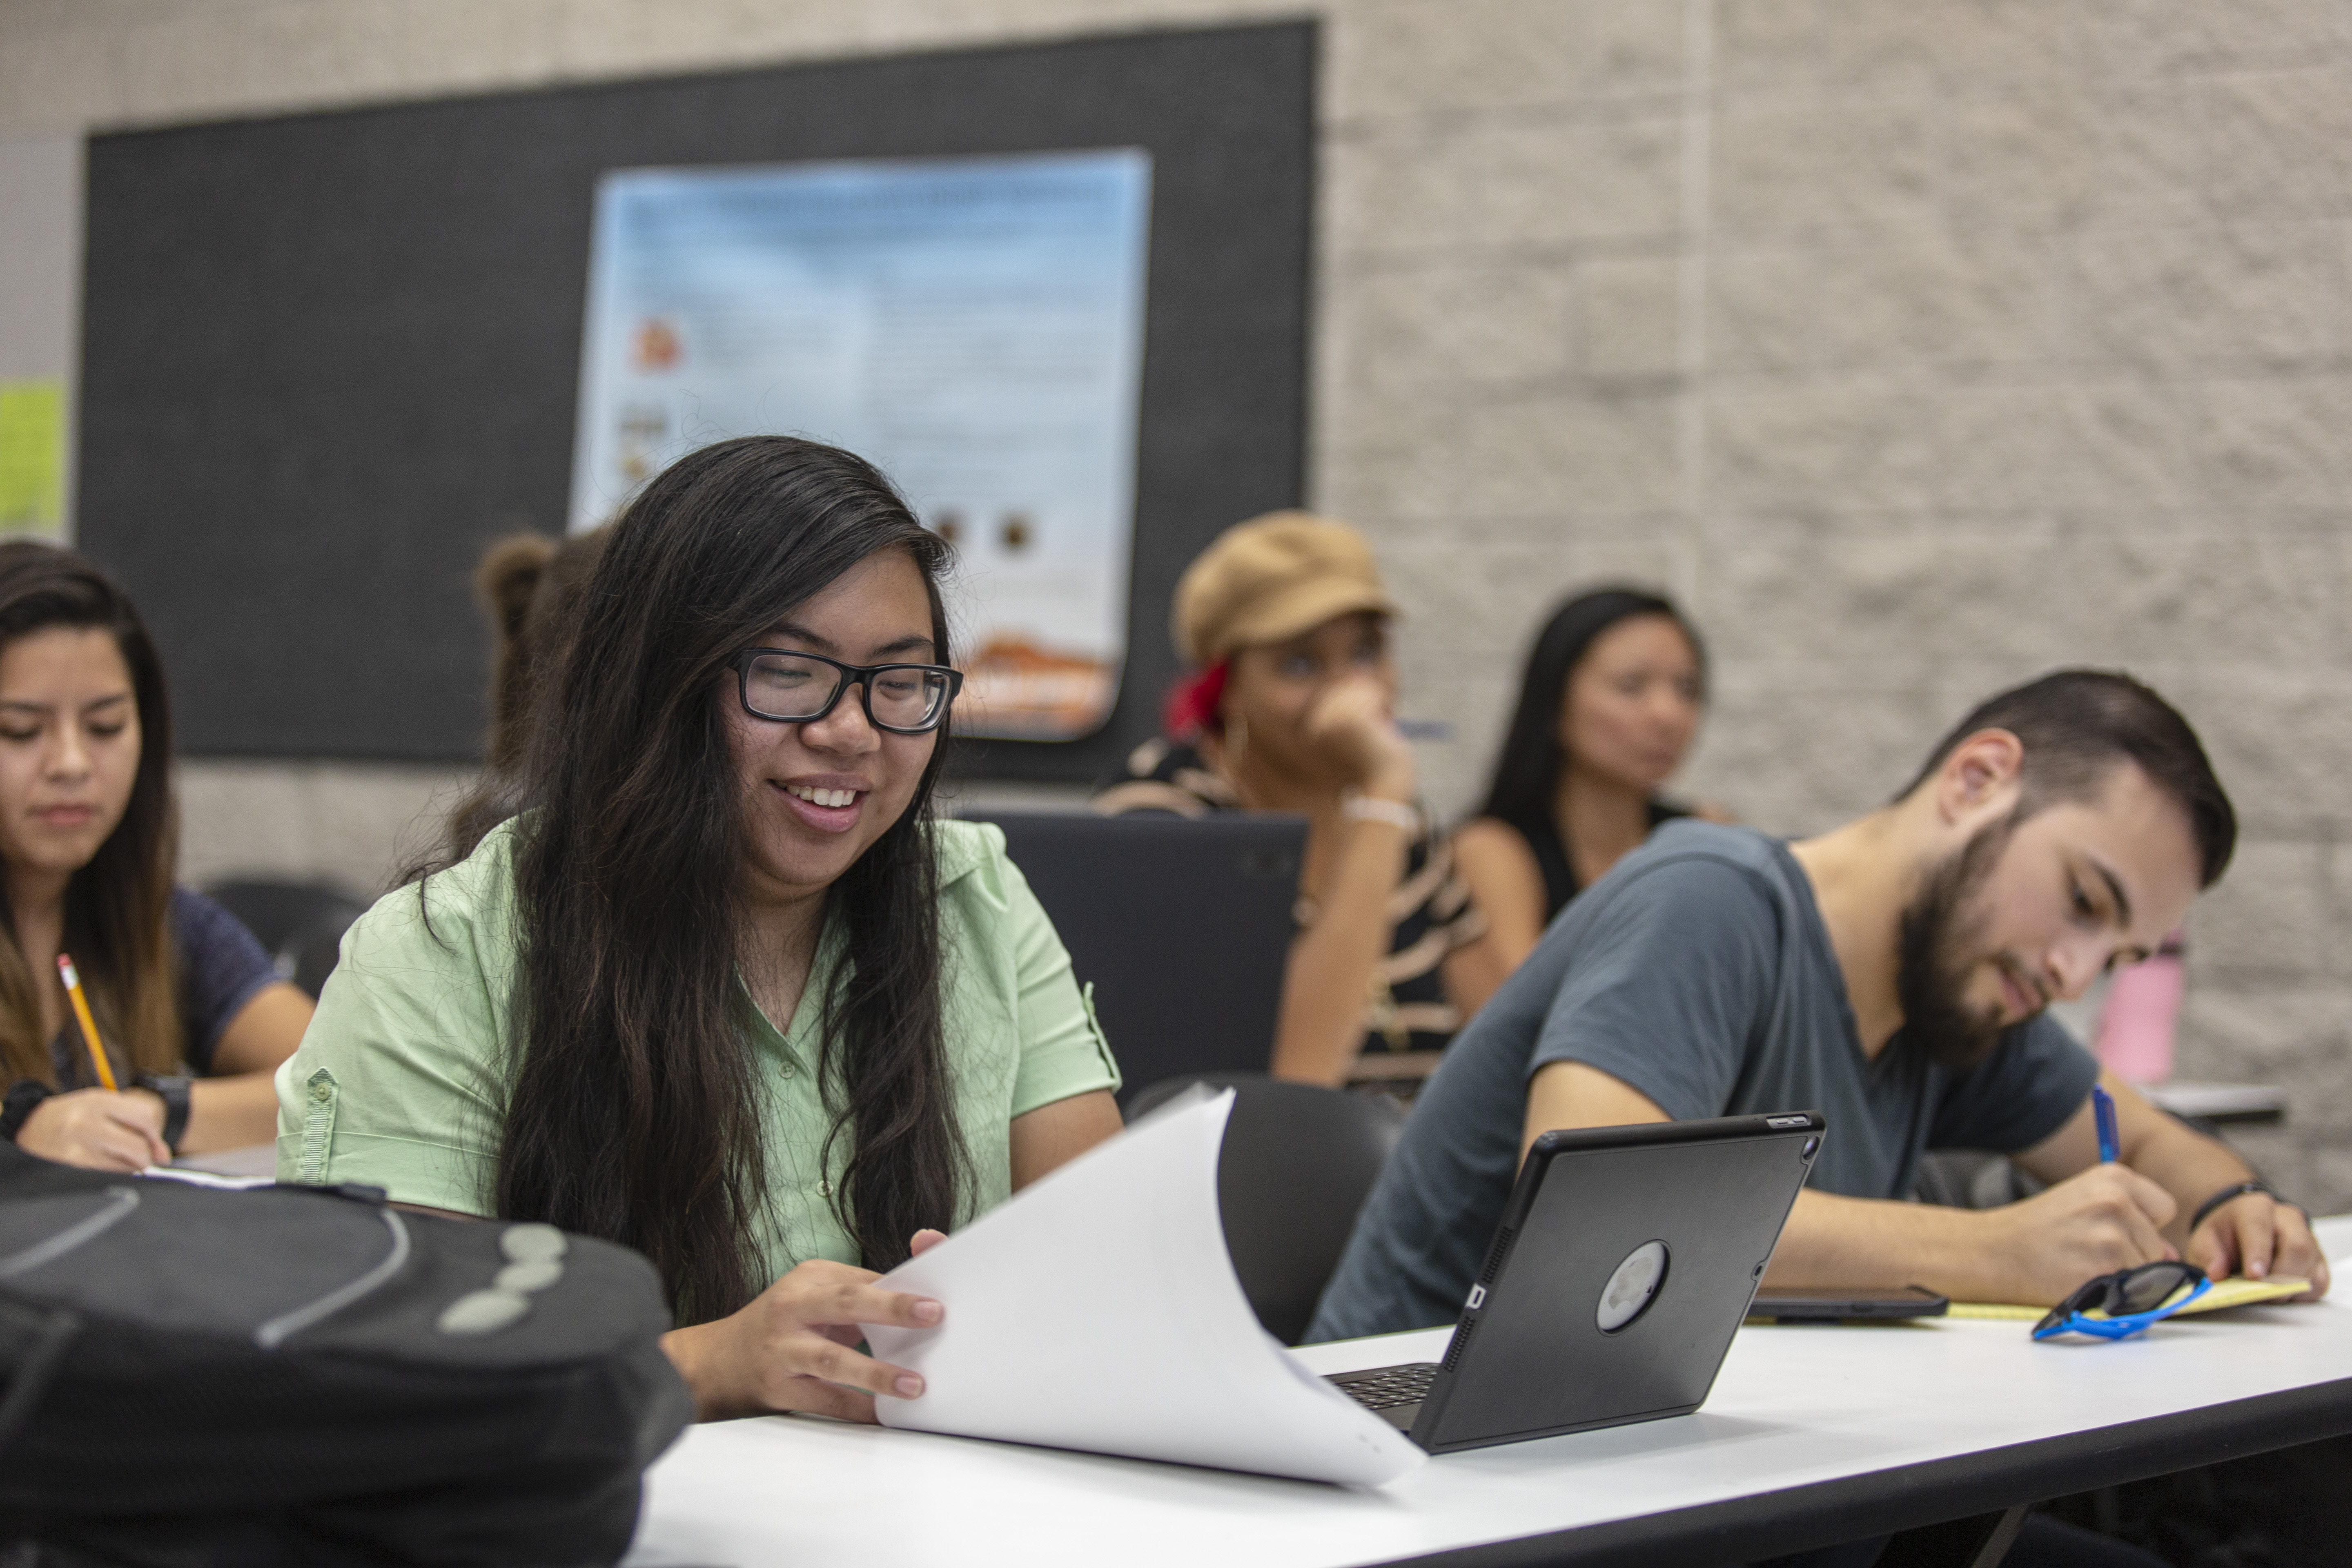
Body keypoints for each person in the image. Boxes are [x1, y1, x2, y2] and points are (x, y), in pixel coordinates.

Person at [276, 437, 1124, 1423]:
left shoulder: (971, 896)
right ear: (654, 683)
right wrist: (710, 1363)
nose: (850, 730)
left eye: (898, 682)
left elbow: (1106, 1287)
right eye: (789, 670)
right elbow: (385, 1375)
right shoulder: (444, 951)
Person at [1310, 669, 2327, 1346]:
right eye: (2080, 901)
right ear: (1976, 779)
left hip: (1686, 1478)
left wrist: (2228, 1208)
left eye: (2121, 953)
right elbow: (1598, 1218)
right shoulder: (1706, 898)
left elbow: (2150, 1140)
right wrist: (1995, 1250)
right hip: (1436, 1480)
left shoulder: (1962, 996)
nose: (2074, 973)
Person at [1094, 511, 1511, 1095]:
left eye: (1365, 653)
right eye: (1301, 663)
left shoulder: (1403, 824)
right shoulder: (1165, 816)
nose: (1352, 692)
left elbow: (1505, 1036)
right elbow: (1295, 1078)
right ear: (1229, 687)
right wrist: (1383, 797)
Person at [0, 542, 312, 1171]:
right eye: (21, 731)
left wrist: (159, 1111)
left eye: (106, 725)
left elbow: (338, 1076)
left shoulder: (170, 926)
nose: (71, 764)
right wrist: (21, 1135)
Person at [1454, 588, 1716, 970]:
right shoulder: (1492, 852)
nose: (1668, 714)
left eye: (1687, 689)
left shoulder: (1705, 835)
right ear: (1555, 701)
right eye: (1632, 686)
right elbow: (1520, 1022)